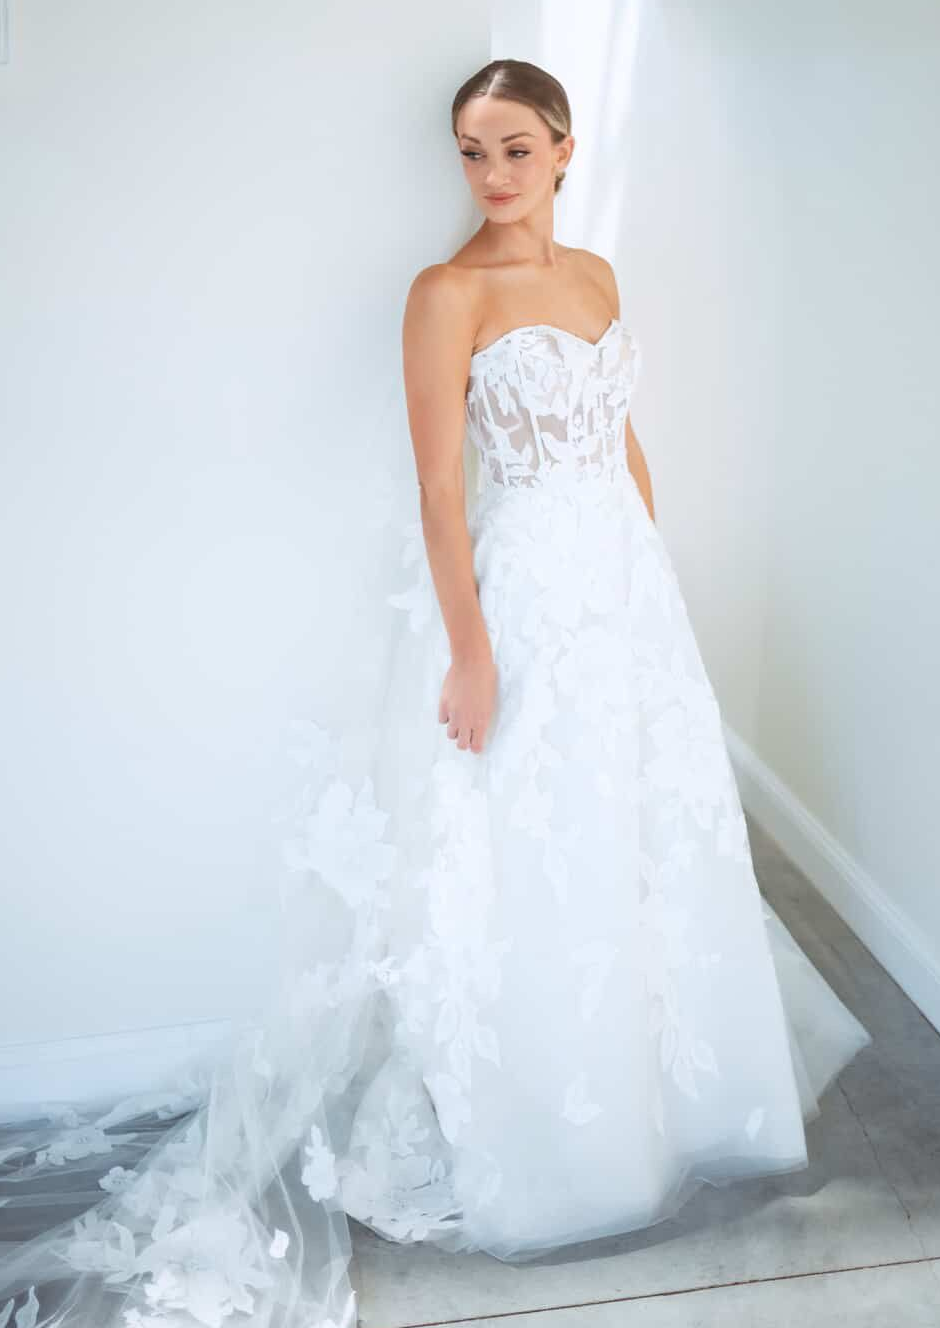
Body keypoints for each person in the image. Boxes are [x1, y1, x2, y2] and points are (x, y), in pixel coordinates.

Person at [0, 57, 871, 1328]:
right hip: (522, 600)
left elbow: (620, 435)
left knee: (642, 832)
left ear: (564, 149)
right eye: (471, 150)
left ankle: (673, 1103)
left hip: (623, 595)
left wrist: (650, 571)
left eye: (515, 148)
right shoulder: (445, 292)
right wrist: (471, 650)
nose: (492, 173)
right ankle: (559, 1142)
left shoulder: (597, 277)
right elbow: (441, 489)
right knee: (539, 844)